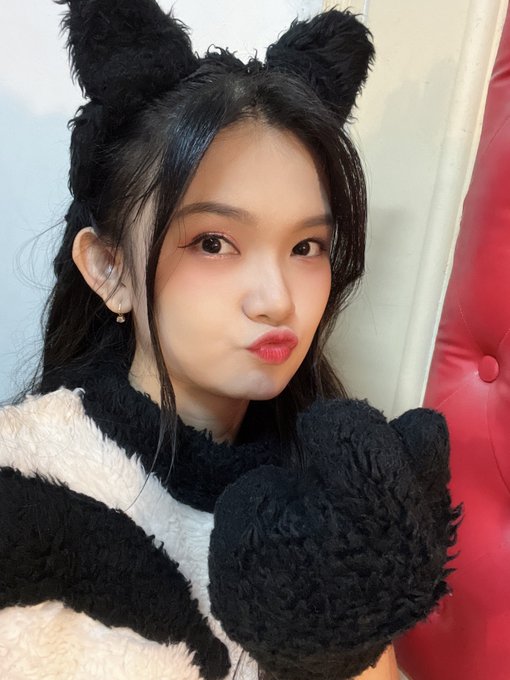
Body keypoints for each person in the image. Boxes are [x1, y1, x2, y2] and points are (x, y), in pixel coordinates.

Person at [0, 1, 461, 679]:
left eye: (307, 246)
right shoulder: (26, 490)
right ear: (109, 268)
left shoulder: (330, 498)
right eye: (214, 242)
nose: (277, 298)